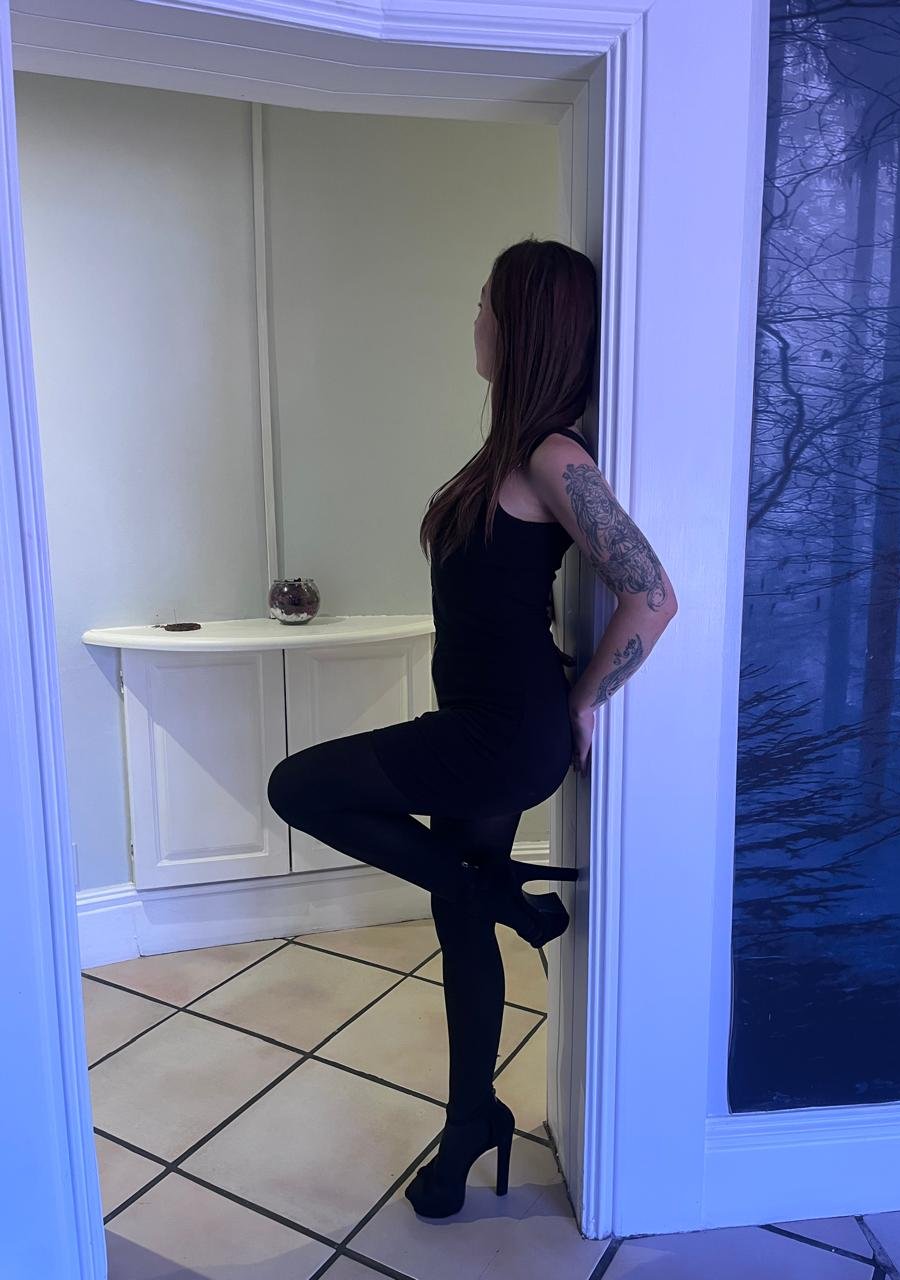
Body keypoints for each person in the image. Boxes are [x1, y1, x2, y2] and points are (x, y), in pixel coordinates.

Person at [266, 235, 678, 1218]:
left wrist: (583, 700)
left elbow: (652, 595)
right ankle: (469, 1121)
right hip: (483, 723)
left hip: (504, 734)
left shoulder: (553, 456)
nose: (477, 316)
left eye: (487, 301)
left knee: (299, 785)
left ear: (523, 324)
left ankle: (496, 892)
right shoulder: (512, 449)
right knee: (458, 921)